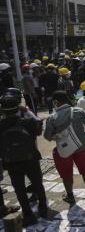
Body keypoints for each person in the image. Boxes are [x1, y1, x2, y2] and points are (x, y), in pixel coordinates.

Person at [0, 95, 47, 227]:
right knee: (37, 183)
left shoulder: (1, 125)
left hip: (11, 162)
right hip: (30, 158)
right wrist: (27, 111)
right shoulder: (26, 121)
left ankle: (27, 214)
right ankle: (43, 208)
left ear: (2, 110)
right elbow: (38, 130)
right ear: (17, 108)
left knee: (19, 188)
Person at [44, 91, 85, 204]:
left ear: (55, 102)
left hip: (64, 150)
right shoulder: (78, 111)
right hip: (81, 147)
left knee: (66, 174)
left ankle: (70, 196)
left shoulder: (52, 118)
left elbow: (47, 136)